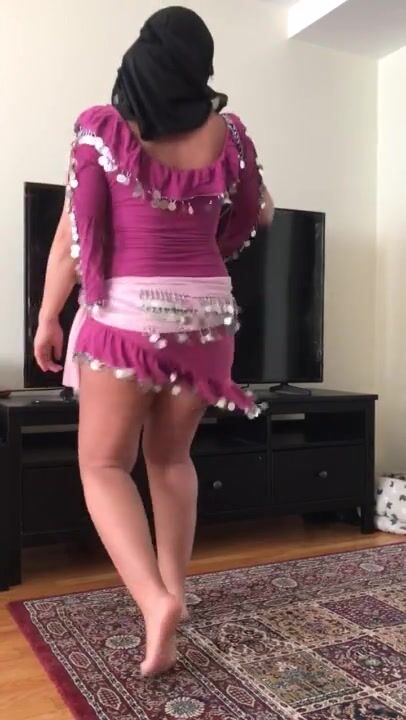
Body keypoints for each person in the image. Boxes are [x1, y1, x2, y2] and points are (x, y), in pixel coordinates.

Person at [34, 6, 274, 677]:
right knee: (171, 461)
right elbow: (258, 212)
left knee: (103, 465)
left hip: (127, 320)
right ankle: (175, 588)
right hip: (207, 317)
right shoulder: (228, 134)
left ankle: (153, 600)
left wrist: (49, 316)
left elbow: (73, 236)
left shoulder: (101, 129)